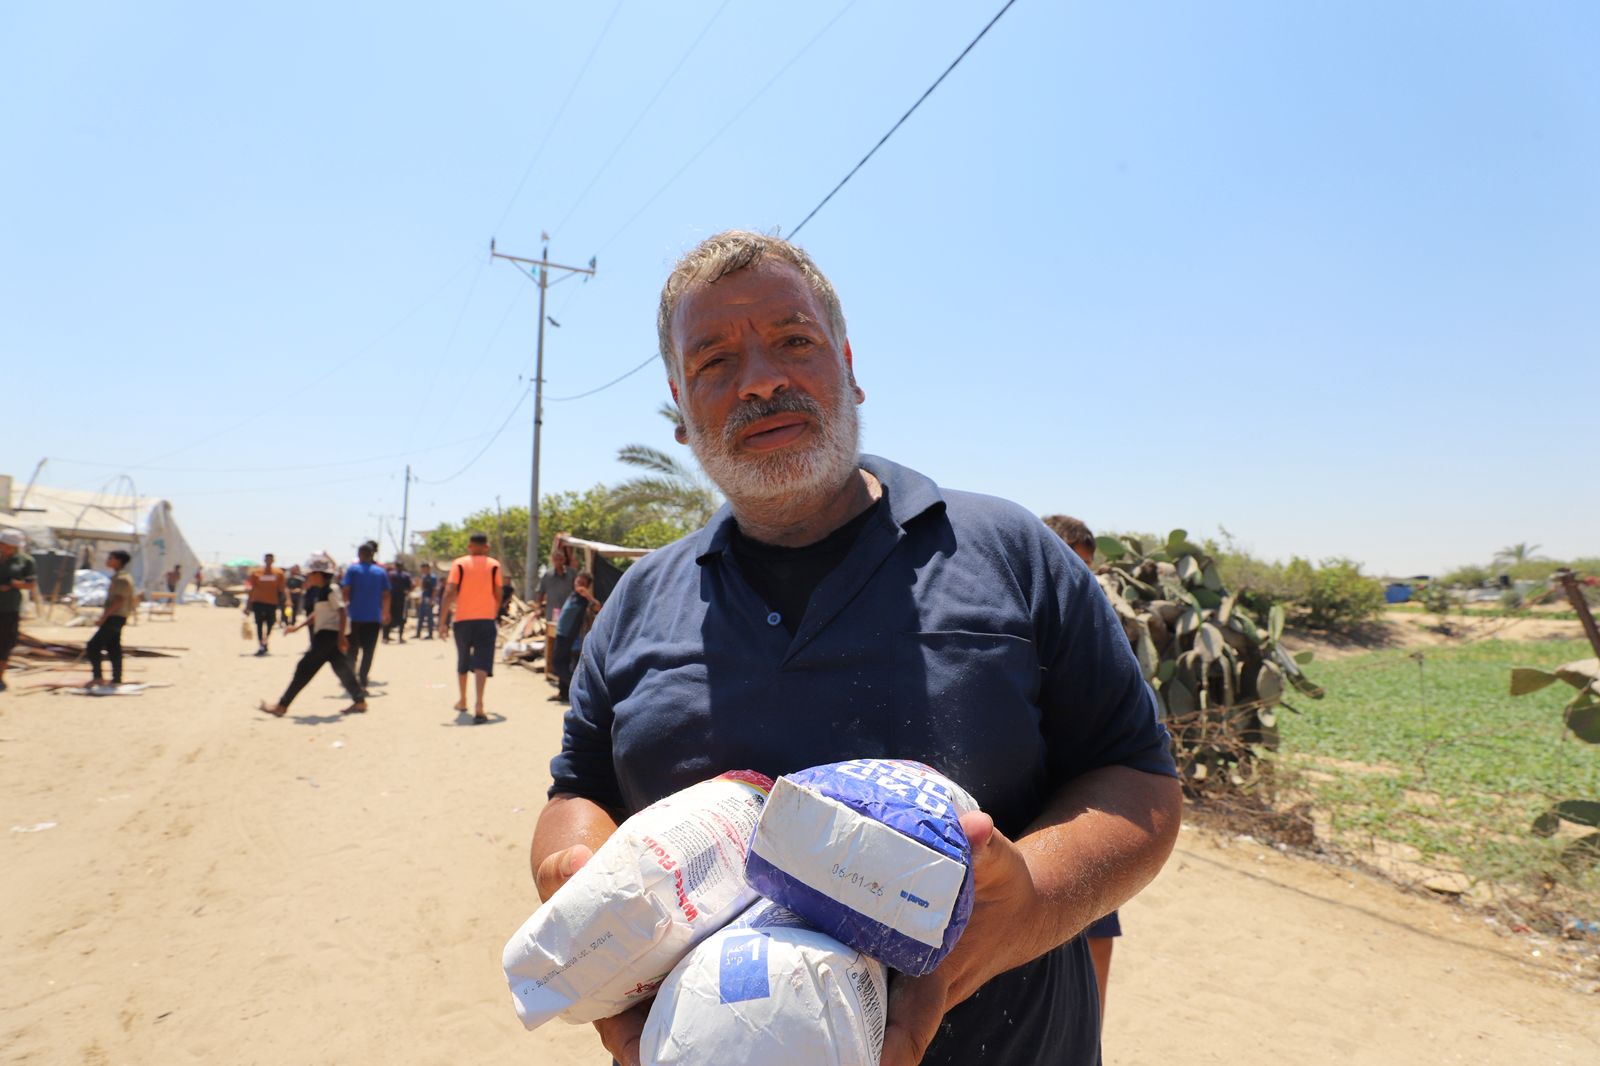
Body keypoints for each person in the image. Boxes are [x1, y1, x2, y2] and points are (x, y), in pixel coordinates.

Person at [528, 232, 1181, 1066]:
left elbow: (1138, 779)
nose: (761, 378)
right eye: (715, 361)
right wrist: (573, 870)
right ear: (681, 414)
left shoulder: (1011, 554)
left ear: (848, 364)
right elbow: (578, 786)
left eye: (794, 341)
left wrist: (1035, 902)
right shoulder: (636, 605)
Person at [1043, 513, 1122, 1022]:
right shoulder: (1012, 615)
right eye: (1072, 560)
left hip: (1084, 802)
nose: (1080, 574)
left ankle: (1089, 1034)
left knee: (1097, 928)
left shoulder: (1098, 627)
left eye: (1088, 566)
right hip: (1030, 800)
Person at [258, 556, 367, 716]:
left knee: (304, 668)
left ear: (320, 574)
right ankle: (360, 701)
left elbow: (342, 612)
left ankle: (282, 706)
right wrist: (298, 627)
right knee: (342, 669)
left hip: (328, 635)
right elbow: (318, 613)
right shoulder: (321, 591)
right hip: (325, 634)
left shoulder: (331, 589)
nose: (309, 576)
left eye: (312, 574)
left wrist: (341, 637)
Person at [439, 531, 502, 722]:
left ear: (469, 546)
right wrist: (494, 612)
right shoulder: (494, 565)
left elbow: (449, 592)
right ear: (486, 547)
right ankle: (480, 704)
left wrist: (442, 621)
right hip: (486, 620)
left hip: (462, 620)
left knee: (463, 660)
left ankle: (463, 699)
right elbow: (498, 593)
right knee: (482, 662)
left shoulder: (459, 564)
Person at [340, 540, 390, 690]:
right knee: (369, 651)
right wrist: (385, 613)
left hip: (354, 616)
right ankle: (363, 680)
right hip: (374, 618)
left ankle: (351, 678)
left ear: (359, 554)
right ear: (372, 554)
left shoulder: (353, 570)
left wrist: (345, 607)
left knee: (352, 650)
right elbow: (387, 595)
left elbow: (345, 590)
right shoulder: (380, 572)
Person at [87, 550, 137, 689]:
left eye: (111, 558)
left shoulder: (121, 579)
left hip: (115, 617)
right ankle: (116, 678)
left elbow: (118, 600)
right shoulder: (119, 577)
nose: (108, 560)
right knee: (113, 647)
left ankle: (98, 677)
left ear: (119, 561)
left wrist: (104, 617)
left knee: (93, 646)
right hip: (118, 616)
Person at [549, 570, 598, 704]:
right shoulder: (573, 595)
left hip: (569, 636)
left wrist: (589, 596)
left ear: (587, 585)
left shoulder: (584, 599)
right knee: (563, 663)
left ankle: (578, 692)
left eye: (583, 583)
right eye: (578, 581)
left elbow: (598, 608)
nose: (579, 584)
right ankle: (563, 693)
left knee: (557, 663)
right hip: (561, 633)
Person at [0, 529, 38, 694]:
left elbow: (30, 585)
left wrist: (13, 585)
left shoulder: (25, 561)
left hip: (9, 608)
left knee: (5, 643)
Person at [536, 536, 576, 683]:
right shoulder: (547, 575)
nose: (558, 562)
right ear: (552, 561)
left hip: (570, 615)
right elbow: (540, 592)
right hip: (552, 614)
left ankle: (566, 675)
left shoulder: (571, 574)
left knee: (568, 646)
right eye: (555, 559)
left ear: (564, 560)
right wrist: (538, 607)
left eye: (560, 559)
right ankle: (552, 671)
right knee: (552, 644)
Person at [243, 553, 286, 656]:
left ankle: (265, 639)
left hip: (272, 603)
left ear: (273, 560)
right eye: (267, 559)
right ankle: (261, 645)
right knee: (259, 624)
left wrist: (285, 603)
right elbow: (251, 589)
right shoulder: (257, 573)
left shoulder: (278, 573)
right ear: (264, 560)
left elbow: (282, 589)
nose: (268, 561)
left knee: (271, 624)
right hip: (258, 602)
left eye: (270, 559)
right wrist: (248, 606)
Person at [383, 560, 412, 644]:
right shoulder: (406, 575)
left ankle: (385, 637)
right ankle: (400, 637)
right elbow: (409, 588)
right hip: (401, 600)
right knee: (401, 619)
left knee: (389, 616)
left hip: (391, 599)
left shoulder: (389, 574)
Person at [415, 562, 438, 640]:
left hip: (429, 599)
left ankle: (430, 634)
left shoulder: (432, 577)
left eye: (423, 568)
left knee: (429, 617)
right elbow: (422, 589)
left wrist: (432, 599)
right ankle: (418, 633)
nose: (422, 570)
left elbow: (435, 589)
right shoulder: (423, 577)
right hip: (423, 598)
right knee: (420, 616)